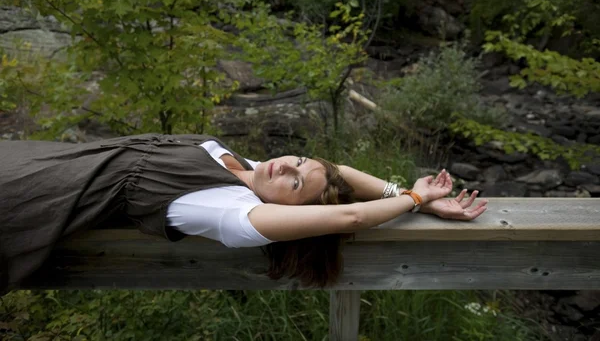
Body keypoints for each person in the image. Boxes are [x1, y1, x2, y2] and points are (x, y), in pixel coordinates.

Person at [0, 133, 487, 292]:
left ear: (294, 213)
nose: (287, 169)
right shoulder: (254, 170)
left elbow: (349, 218)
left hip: (40, 192)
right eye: (296, 161)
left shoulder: (236, 215)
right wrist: (400, 188)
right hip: (59, 158)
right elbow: (334, 169)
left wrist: (419, 202)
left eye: (295, 184)